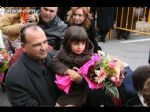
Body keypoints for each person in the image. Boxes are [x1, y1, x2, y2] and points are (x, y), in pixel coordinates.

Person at [5, 24, 60, 106]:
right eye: (37, 44)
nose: (44, 48)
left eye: (45, 42)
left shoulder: (56, 59)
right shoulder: (15, 77)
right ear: (23, 47)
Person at [52, 26, 94, 107]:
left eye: (83, 43)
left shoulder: (88, 59)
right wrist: (67, 70)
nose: (80, 47)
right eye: (76, 43)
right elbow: (55, 62)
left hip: (78, 92)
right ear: (68, 43)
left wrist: (79, 79)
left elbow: (91, 80)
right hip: (62, 89)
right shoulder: (63, 52)